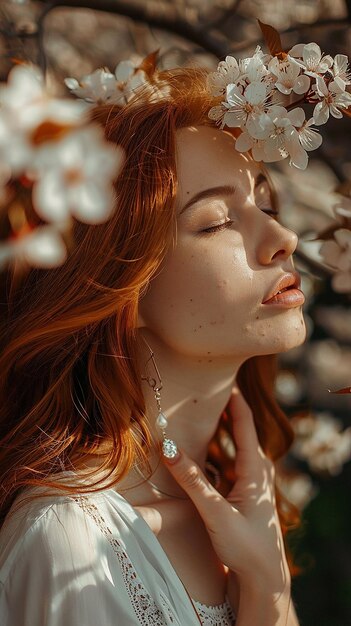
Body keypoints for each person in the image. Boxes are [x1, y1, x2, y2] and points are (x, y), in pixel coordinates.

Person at [0, 66, 305, 625]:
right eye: (215, 223)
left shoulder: (242, 506)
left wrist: (268, 587)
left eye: (266, 206)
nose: (282, 240)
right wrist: (268, 599)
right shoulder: (70, 542)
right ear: (125, 288)